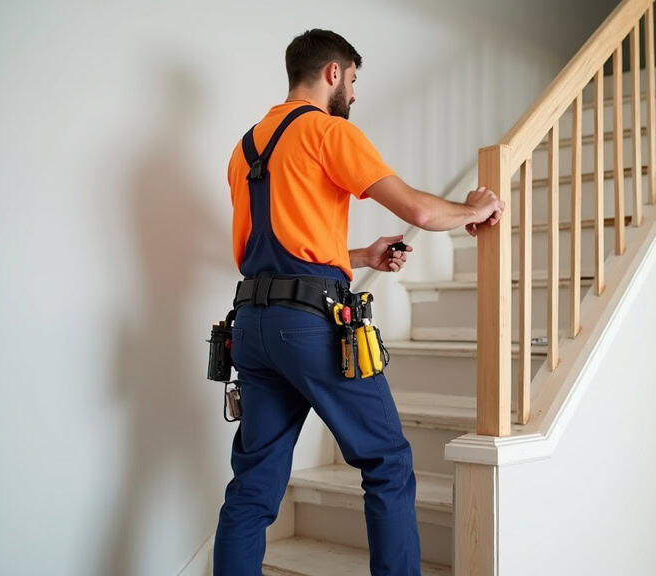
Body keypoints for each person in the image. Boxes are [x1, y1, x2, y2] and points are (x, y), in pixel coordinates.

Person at [213, 29, 504, 576]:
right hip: (309, 330)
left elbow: (277, 248)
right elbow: (418, 210)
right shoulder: (328, 132)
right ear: (332, 73)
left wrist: (362, 255)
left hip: (251, 327)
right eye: (352, 79)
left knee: (253, 486)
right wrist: (472, 209)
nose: (354, 92)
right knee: (387, 462)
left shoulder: (247, 145)